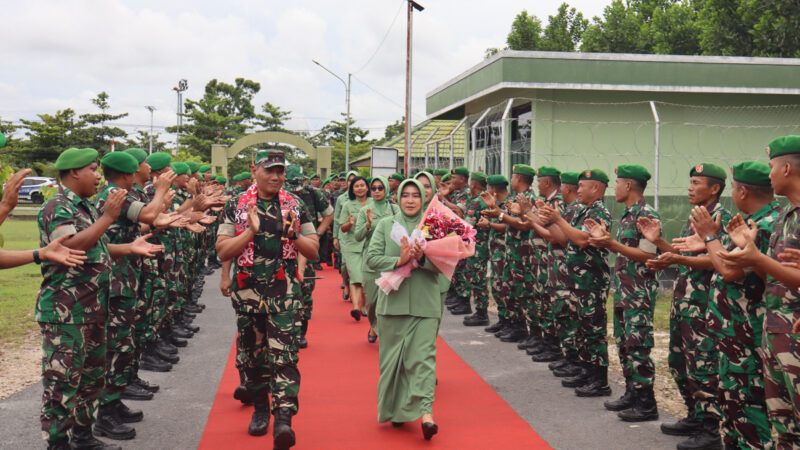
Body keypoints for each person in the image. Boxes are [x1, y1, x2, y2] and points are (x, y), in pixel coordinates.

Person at [36, 148, 159, 450]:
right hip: (67, 311)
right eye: (92, 169)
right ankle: (57, 442)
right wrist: (107, 217)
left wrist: (129, 248)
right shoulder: (57, 206)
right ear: (74, 172)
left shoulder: (86, 207)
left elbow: (98, 247)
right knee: (62, 382)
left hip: (93, 306)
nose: (98, 175)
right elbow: (71, 246)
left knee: (91, 379)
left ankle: (83, 435)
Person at [216, 150, 318, 448]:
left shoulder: (295, 205)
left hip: (284, 294)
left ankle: (284, 419)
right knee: (253, 357)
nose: (276, 176)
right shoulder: (236, 205)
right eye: (270, 170)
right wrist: (250, 231)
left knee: (284, 356)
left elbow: (312, 250)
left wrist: (293, 236)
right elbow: (223, 251)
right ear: (255, 170)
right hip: (248, 294)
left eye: (280, 171)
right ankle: (261, 409)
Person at [677, 161, 780, 448]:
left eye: (733, 188)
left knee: (749, 406)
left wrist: (710, 236)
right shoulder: (751, 221)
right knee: (733, 403)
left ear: (743, 191)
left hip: (748, 333)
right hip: (732, 331)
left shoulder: (766, 224)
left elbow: (730, 270)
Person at [714, 136, 800, 448]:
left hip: (792, 332)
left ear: (787, 168)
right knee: (784, 427)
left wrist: (755, 256)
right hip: (778, 330)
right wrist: (749, 251)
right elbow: (775, 278)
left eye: (772, 166)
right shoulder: (786, 218)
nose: (770, 173)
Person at [640, 163, 731, 445]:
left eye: (696, 182)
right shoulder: (694, 217)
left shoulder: (720, 219)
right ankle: (694, 415)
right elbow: (682, 252)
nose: (690, 188)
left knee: (704, 367)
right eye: (690, 182)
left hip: (705, 306)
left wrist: (678, 259)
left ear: (714, 188)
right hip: (684, 303)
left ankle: (710, 429)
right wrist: (660, 244)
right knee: (679, 363)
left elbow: (720, 259)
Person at [93, 151, 170, 440]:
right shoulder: (114, 193)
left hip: (124, 276)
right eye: (144, 165)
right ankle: (105, 413)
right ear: (128, 173)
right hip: (115, 280)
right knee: (117, 345)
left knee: (123, 342)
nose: (149, 168)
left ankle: (112, 403)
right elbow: (150, 215)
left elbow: (148, 219)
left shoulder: (115, 192)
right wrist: (161, 190)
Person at [366, 179, 442, 440]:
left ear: (423, 198)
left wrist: (421, 258)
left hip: (425, 304)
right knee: (392, 364)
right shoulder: (386, 225)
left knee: (422, 359)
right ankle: (396, 411)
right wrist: (399, 260)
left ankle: (426, 413)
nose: (410, 200)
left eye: (416, 196)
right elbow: (372, 258)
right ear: (397, 198)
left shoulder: (433, 227)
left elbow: (445, 263)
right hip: (392, 305)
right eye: (405, 195)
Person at [583, 165, 660, 422]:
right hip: (625, 290)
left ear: (629, 186)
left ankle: (646, 403)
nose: (613, 188)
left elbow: (649, 254)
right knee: (624, 344)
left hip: (639, 292)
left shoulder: (647, 215)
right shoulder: (628, 215)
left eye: (617, 183)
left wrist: (611, 244)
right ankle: (632, 393)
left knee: (638, 346)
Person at [539, 169, 612, 397]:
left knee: (593, 329)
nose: (577, 190)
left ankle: (600, 380)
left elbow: (582, 240)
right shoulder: (584, 211)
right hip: (578, 280)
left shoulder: (600, 212)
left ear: (596, 189)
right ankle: (587, 370)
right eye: (578, 186)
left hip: (591, 280)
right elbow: (564, 237)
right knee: (581, 328)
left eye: (582, 186)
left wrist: (558, 218)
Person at [355, 176, 400, 342]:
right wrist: (367, 224)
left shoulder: (395, 209)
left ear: (386, 189)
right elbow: (357, 236)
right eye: (373, 188)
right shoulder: (365, 210)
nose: (376, 191)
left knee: (390, 299)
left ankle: (384, 331)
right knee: (372, 301)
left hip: (391, 260)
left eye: (380, 188)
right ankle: (374, 325)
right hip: (371, 260)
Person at [479, 176, 509, 334]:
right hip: (497, 251)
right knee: (498, 286)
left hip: (505, 252)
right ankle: (503, 320)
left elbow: (508, 225)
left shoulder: (508, 204)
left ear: (493, 189)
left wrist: (489, 224)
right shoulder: (498, 205)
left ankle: (509, 322)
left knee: (504, 287)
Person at [338, 175, 371, 321]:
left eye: (362, 185)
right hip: (352, 245)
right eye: (356, 186)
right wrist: (350, 224)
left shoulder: (374, 203)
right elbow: (343, 228)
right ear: (352, 189)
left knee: (365, 277)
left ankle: (364, 305)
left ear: (367, 187)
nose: (359, 188)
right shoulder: (347, 205)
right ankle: (356, 307)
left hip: (370, 244)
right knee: (355, 276)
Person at [461, 172, 491, 326]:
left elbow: (467, 225)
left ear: (473, 184)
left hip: (477, 246)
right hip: (482, 244)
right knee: (477, 277)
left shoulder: (477, 202)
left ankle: (482, 314)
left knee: (477, 278)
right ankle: (480, 312)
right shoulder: (484, 200)